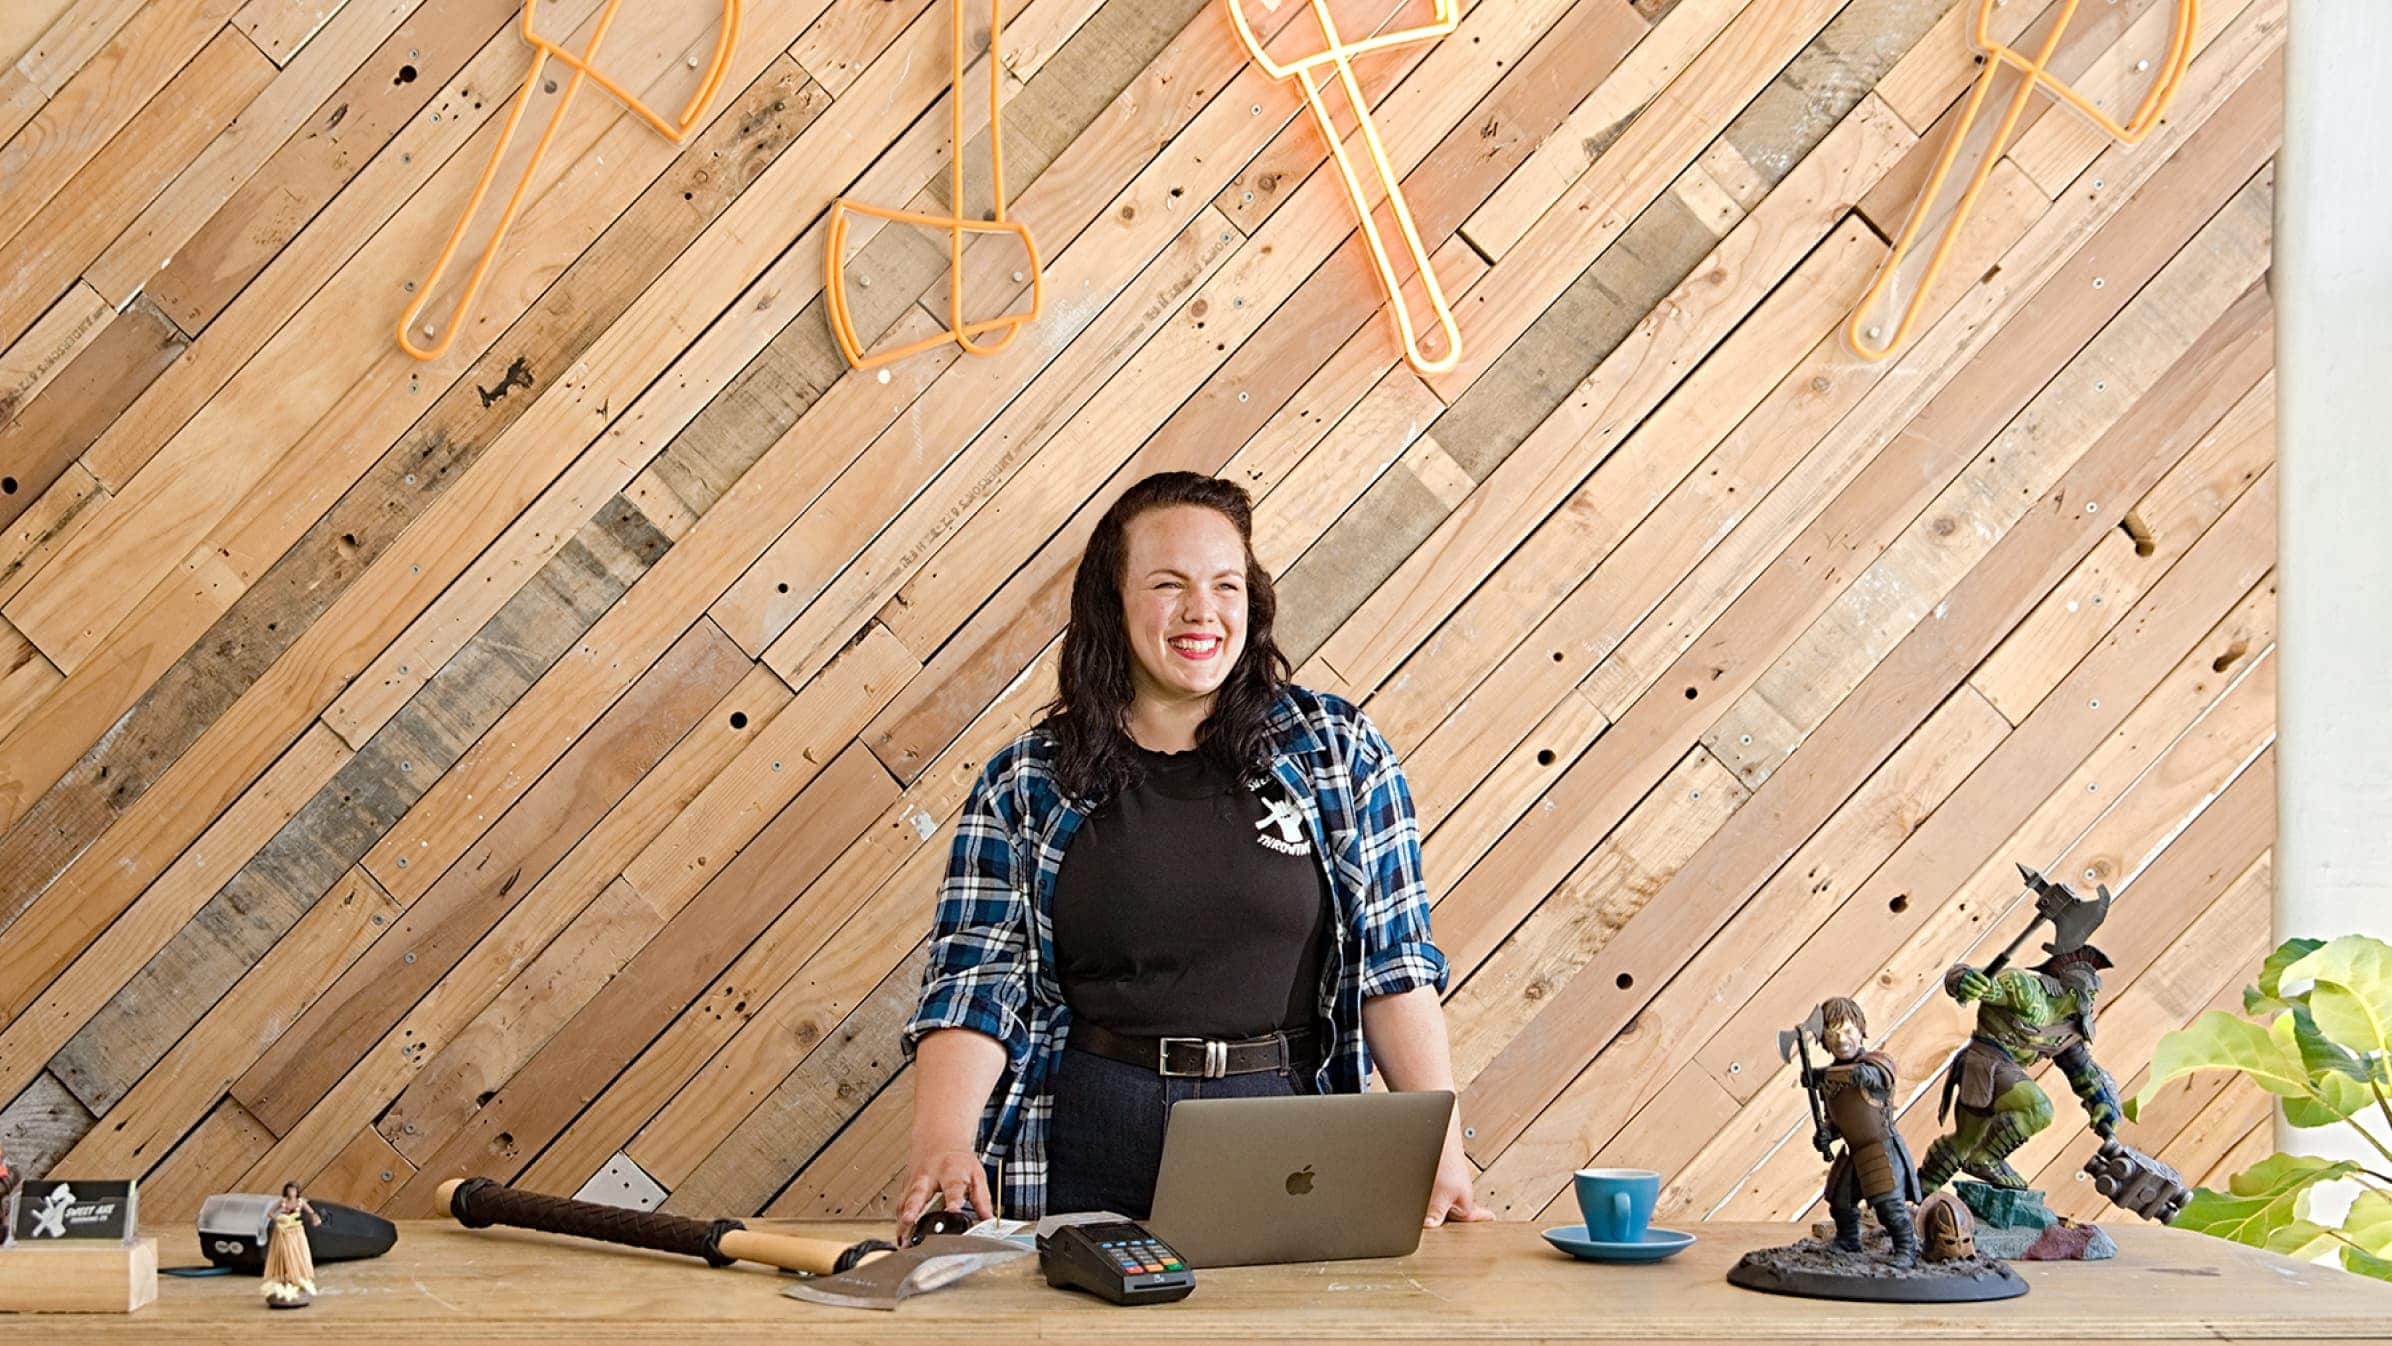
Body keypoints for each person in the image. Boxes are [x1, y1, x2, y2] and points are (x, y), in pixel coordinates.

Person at [894, 471, 1492, 1238]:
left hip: (1281, 1135)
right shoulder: (1027, 781)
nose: (1201, 611)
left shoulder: (1336, 754)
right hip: (1085, 1134)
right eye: (1168, 584)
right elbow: (977, 979)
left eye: (1225, 585)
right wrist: (942, 1142)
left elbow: (1393, 966)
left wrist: (1439, 1148)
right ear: (1111, 602)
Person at [1805, 997, 1920, 1263]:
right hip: (1853, 1151)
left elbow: (1881, 1075)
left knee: (1889, 1206)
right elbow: (1839, 1118)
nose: (1840, 1039)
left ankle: (1906, 1250)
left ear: (1860, 1030)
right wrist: (1826, 1133)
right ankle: (1848, 1241)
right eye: (1832, 1033)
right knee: (1840, 1201)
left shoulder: (1876, 1063)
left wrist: (1860, 1075)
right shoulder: (1831, 1077)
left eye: (1846, 1031)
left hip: (1880, 1149)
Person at [261, 1181, 324, 1309]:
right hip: (283, 1231)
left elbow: (311, 1212)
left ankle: (297, 1279)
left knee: (297, 1254)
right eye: (290, 1190)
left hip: (296, 1231)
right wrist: (278, 1219)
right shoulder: (282, 1201)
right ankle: (283, 1279)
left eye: (294, 1191)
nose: (292, 1193)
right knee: (283, 1254)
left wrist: (315, 1218)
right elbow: (270, 1213)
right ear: (286, 1191)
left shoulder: (301, 1202)